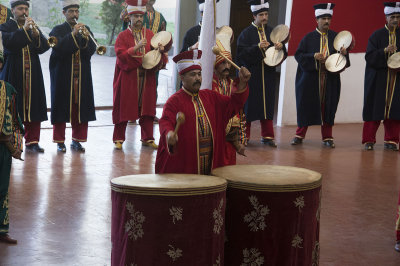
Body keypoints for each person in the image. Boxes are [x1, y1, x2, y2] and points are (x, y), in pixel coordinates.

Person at [155, 50, 250, 174]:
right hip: (187, 163)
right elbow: (166, 122)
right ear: (182, 77)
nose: (197, 78)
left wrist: (242, 83)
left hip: (211, 161)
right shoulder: (174, 101)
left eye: (199, 74)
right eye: (192, 75)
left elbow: (233, 104)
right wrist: (169, 134)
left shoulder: (210, 97)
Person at [291, 3, 350, 148]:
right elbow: (299, 55)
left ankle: (327, 137)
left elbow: (343, 61)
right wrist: (313, 56)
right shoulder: (308, 38)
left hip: (330, 80)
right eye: (323, 18)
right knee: (307, 106)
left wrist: (344, 54)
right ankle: (299, 134)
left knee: (328, 107)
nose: (326, 21)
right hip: (310, 80)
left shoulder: (337, 37)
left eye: (328, 18)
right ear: (317, 19)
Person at [112, 0, 167, 150]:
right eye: (135, 16)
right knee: (124, 107)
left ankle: (147, 138)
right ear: (129, 17)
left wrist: (161, 52)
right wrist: (135, 48)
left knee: (147, 109)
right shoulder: (123, 36)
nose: (138, 20)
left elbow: (158, 58)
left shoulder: (150, 35)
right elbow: (120, 56)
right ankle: (118, 138)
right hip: (128, 79)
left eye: (140, 17)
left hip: (147, 78)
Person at [0, 0, 49, 153]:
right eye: (20, 9)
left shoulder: (32, 26)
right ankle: (13, 141)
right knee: (14, 107)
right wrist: (25, 31)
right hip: (13, 71)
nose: (24, 12)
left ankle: (33, 141)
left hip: (33, 73)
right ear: (13, 10)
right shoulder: (5, 26)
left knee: (34, 104)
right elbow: (9, 45)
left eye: (26, 9)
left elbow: (44, 47)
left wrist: (36, 35)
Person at [49, 0, 96, 152]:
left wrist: (87, 39)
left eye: (76, 11)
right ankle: (60, 141)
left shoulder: (86, 29)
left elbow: (91, 50)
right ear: (64, 13)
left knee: (80, 108)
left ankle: (77, 140)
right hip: (63, 76)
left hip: (82, 76)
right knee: (61, 107)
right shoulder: (56, 30)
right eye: (71, 12)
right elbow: (59, 49)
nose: (75, 14)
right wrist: (73, 35)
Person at [236, 0, 285, 147]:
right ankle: (245, 136)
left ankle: (268, 136)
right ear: (254, 16)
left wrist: (280, 48)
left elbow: (282, 54)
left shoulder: (272, 32)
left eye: (266, 14)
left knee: (268, 104)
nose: (265, 17)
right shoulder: (245, 34)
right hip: (253, 76)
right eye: (261, 14)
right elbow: (240, 55)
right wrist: (257, 47)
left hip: (269, 75)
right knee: (249, 106)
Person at [362, 2, 400, 151]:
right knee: (374, 109)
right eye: (392, 16)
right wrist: (384, 50)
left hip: (396, 80)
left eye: (398, 16)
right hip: (379, 79)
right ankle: (369, 140)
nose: (396, 19)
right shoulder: (376, 35)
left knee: (395, 110)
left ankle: (391, 140)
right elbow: (369, 57)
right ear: (386, 17)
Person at [0, 48, 24, 244]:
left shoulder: (8, 89)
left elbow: (15, 120)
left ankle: (1, 229)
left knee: (2, 188)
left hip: (3, 149)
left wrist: (16, 144)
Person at [212, 28, 246, 165]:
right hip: (215, 140)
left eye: (228, 63)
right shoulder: (209, 85)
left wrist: (241, 140)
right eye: (223, 63)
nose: (227, 66)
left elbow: (241, 113)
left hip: (232, 143)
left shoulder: (233, 85)